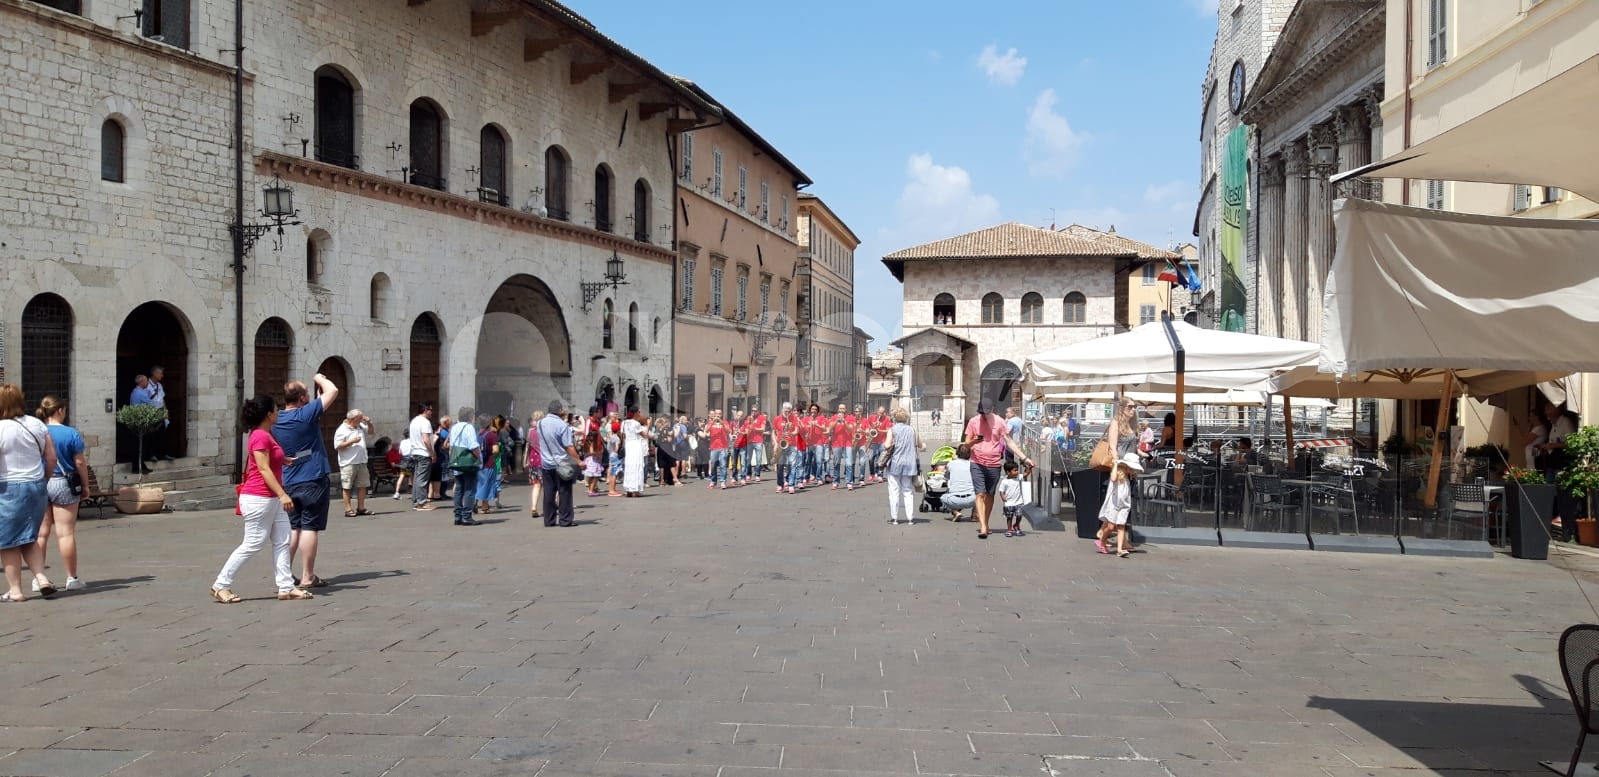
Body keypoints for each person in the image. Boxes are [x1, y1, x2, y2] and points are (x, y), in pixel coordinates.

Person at [211, 394, 312, 603]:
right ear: (268, 414)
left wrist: (283, 460)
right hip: (259, 497)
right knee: (253, 543)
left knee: (282, 540)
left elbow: (268, 461)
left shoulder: (266, 434)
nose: (278, 412)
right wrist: (282, 494)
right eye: (276, 409)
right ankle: (221, 584)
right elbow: (263, 469)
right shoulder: (260, 436)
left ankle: (286, 586)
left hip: (271, 498)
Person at [272, 374, 339, 589]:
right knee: (310, 527)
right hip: (312, 477)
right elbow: (333, 390)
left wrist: (315, 403)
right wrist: (320, 378)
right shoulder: (306, 414)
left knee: (293, 528)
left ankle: (284, 575)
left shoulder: (277, 419)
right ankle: (307, 576)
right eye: (307, 393)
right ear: (301, 397)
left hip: (288, 479)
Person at [0, 385, 58, 601]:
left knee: (7, 542)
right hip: (36, 486)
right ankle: (42, 579)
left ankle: (15, 590)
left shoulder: (1, 428)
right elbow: (51, 458)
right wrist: (44, 479)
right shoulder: (37, 424)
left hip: (9, 487)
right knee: (28, 537)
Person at [33, 396, 86, 593]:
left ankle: (38, 578)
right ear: (60, 410)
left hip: (41, 481)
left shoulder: (36, 431)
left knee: (41, 533)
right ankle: (72, 578)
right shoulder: (70, 433)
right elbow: (79, 462)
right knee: (65, 533)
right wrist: (85, 485)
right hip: (63, 483)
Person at [963, 399, 1034, 539]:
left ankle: (986, 522)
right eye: (981, 413)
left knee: (990, 495)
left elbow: (1009, 442)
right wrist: (974, 441)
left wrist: (1025, 458)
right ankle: (983, 526)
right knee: (980, 494)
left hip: (994, 463)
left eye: (986, 413)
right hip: (976, 462)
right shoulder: (973, 421)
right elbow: (966, 445)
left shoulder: (1000, 422)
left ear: (992, 409)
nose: (984, 415)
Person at [536, 399, 581, 527]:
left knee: (549, 493)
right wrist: (578, 460)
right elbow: (569, 446)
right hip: (562, 463)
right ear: (560, 411)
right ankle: (565, 520)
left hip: (546, 462)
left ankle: (549, 520)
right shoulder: (562, 425)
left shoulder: (540, 424)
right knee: (564, 492)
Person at [883, 407, 926, 525]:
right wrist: (923, 446)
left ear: (895, 418)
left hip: (895, 463)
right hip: (909, 463)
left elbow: (887, 445)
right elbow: (921, 445)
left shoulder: (892, 430)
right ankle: (910, 518)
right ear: (906, 418)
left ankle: (894, 518)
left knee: (894, 491)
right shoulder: (913, 430)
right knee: (907, 491)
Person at [1096, 452, 1142, 558]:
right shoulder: (1118, 474)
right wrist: (1115, 465)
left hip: (1124, 505)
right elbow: (1112, 479)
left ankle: (1120, 550)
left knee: (1121, 527)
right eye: (1131, 468)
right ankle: (1102, 541)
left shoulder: (1128, 477)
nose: (1133, 471)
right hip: (1114, 505)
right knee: (1111, 527)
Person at [333, 409, 373, 518]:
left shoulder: (360, 426)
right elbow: (337, 446)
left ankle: (361, 508)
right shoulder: (342, 430)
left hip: (362, 461)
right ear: (352, 419)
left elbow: (371, 432)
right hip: (348, 462)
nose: (362, 420)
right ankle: (348, 509)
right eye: (360, 418)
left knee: (362, 485)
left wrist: (369, 423)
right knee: (347, 486)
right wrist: (352, 441)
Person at [445, 409, 481, 526]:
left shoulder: (454, 427)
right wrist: (479, 458)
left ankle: (458, 516)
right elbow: (473, 445)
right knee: (469, 489)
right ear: (469, 416)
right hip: (468, 461)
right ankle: (467, 516)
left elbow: (451, 445)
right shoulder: (469, 427)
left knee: (459, 489)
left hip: (457, 460)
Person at [406, 402, 437, 511]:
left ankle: (416, 501)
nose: (432, 412)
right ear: (425, 410)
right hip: (424, 452)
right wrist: (432, 453)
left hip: (415, 452)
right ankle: (422, 502)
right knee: (422, 479)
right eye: (430, 410)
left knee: (417, 478)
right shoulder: (425, 422)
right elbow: (426, 439)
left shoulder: (414, 421)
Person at [941, 444, 978, 522]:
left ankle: (955, 512)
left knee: (943, 497)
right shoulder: (972, 465)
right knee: (980, 494)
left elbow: (946, 476)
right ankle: (974, 515)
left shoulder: (951, 464)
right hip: (971, 499)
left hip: (955, 499)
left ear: (957, 454)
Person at [473, 413, 500, 515]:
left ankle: (475, 501)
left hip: (478, 463)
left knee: (479, 483)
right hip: (489, 462)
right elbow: (495, 450)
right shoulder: (491, 435)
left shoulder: (477, 434)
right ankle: (484, 507)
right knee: (487, 485)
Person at [622, 411, 648, 497]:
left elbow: (623, 435)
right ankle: (636, 490)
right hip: (635, 445)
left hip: (628, 444)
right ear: (636, 413)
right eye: (638, 412)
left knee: (629, 466)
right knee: (637, 465)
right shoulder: (636, 423)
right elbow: (644, 435)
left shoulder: (624, 422)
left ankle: (629, 490)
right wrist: (648, 425)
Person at [999, 460, 1027, 538]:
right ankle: (1009, 529)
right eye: (1015, 470)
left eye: (1017, 470)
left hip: (1018, 502)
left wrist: (1028, 467)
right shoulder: (1004, 481)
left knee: (1019, 515)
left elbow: (1026, 474)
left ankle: (1016, 525)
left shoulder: (1018, 477)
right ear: (1008, 472)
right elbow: (1001, 491)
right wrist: (1002, 497)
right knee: (1009, 517)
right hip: (1009, 503)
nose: (1017, 472)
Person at [705, 409, 732, 489]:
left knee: (723, 465)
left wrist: (721, 423)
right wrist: (713, 422)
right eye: (716, 413)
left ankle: (723, 481)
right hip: (714, 447)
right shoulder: (710, 422)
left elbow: (729, 431)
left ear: (721, 414)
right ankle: (713, 481)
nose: (718, 415)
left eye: (719, 413)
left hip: (723, 447)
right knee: (713, 465)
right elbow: (706, 430)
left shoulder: (725, 422)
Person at [526, 411, 545, 518]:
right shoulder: (544, 431)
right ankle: (548, 507)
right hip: (544, 461)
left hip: (533, 460)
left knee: (536, 485)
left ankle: (534, 507)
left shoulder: (530, 431)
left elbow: (528, 445)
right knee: (547, 486)